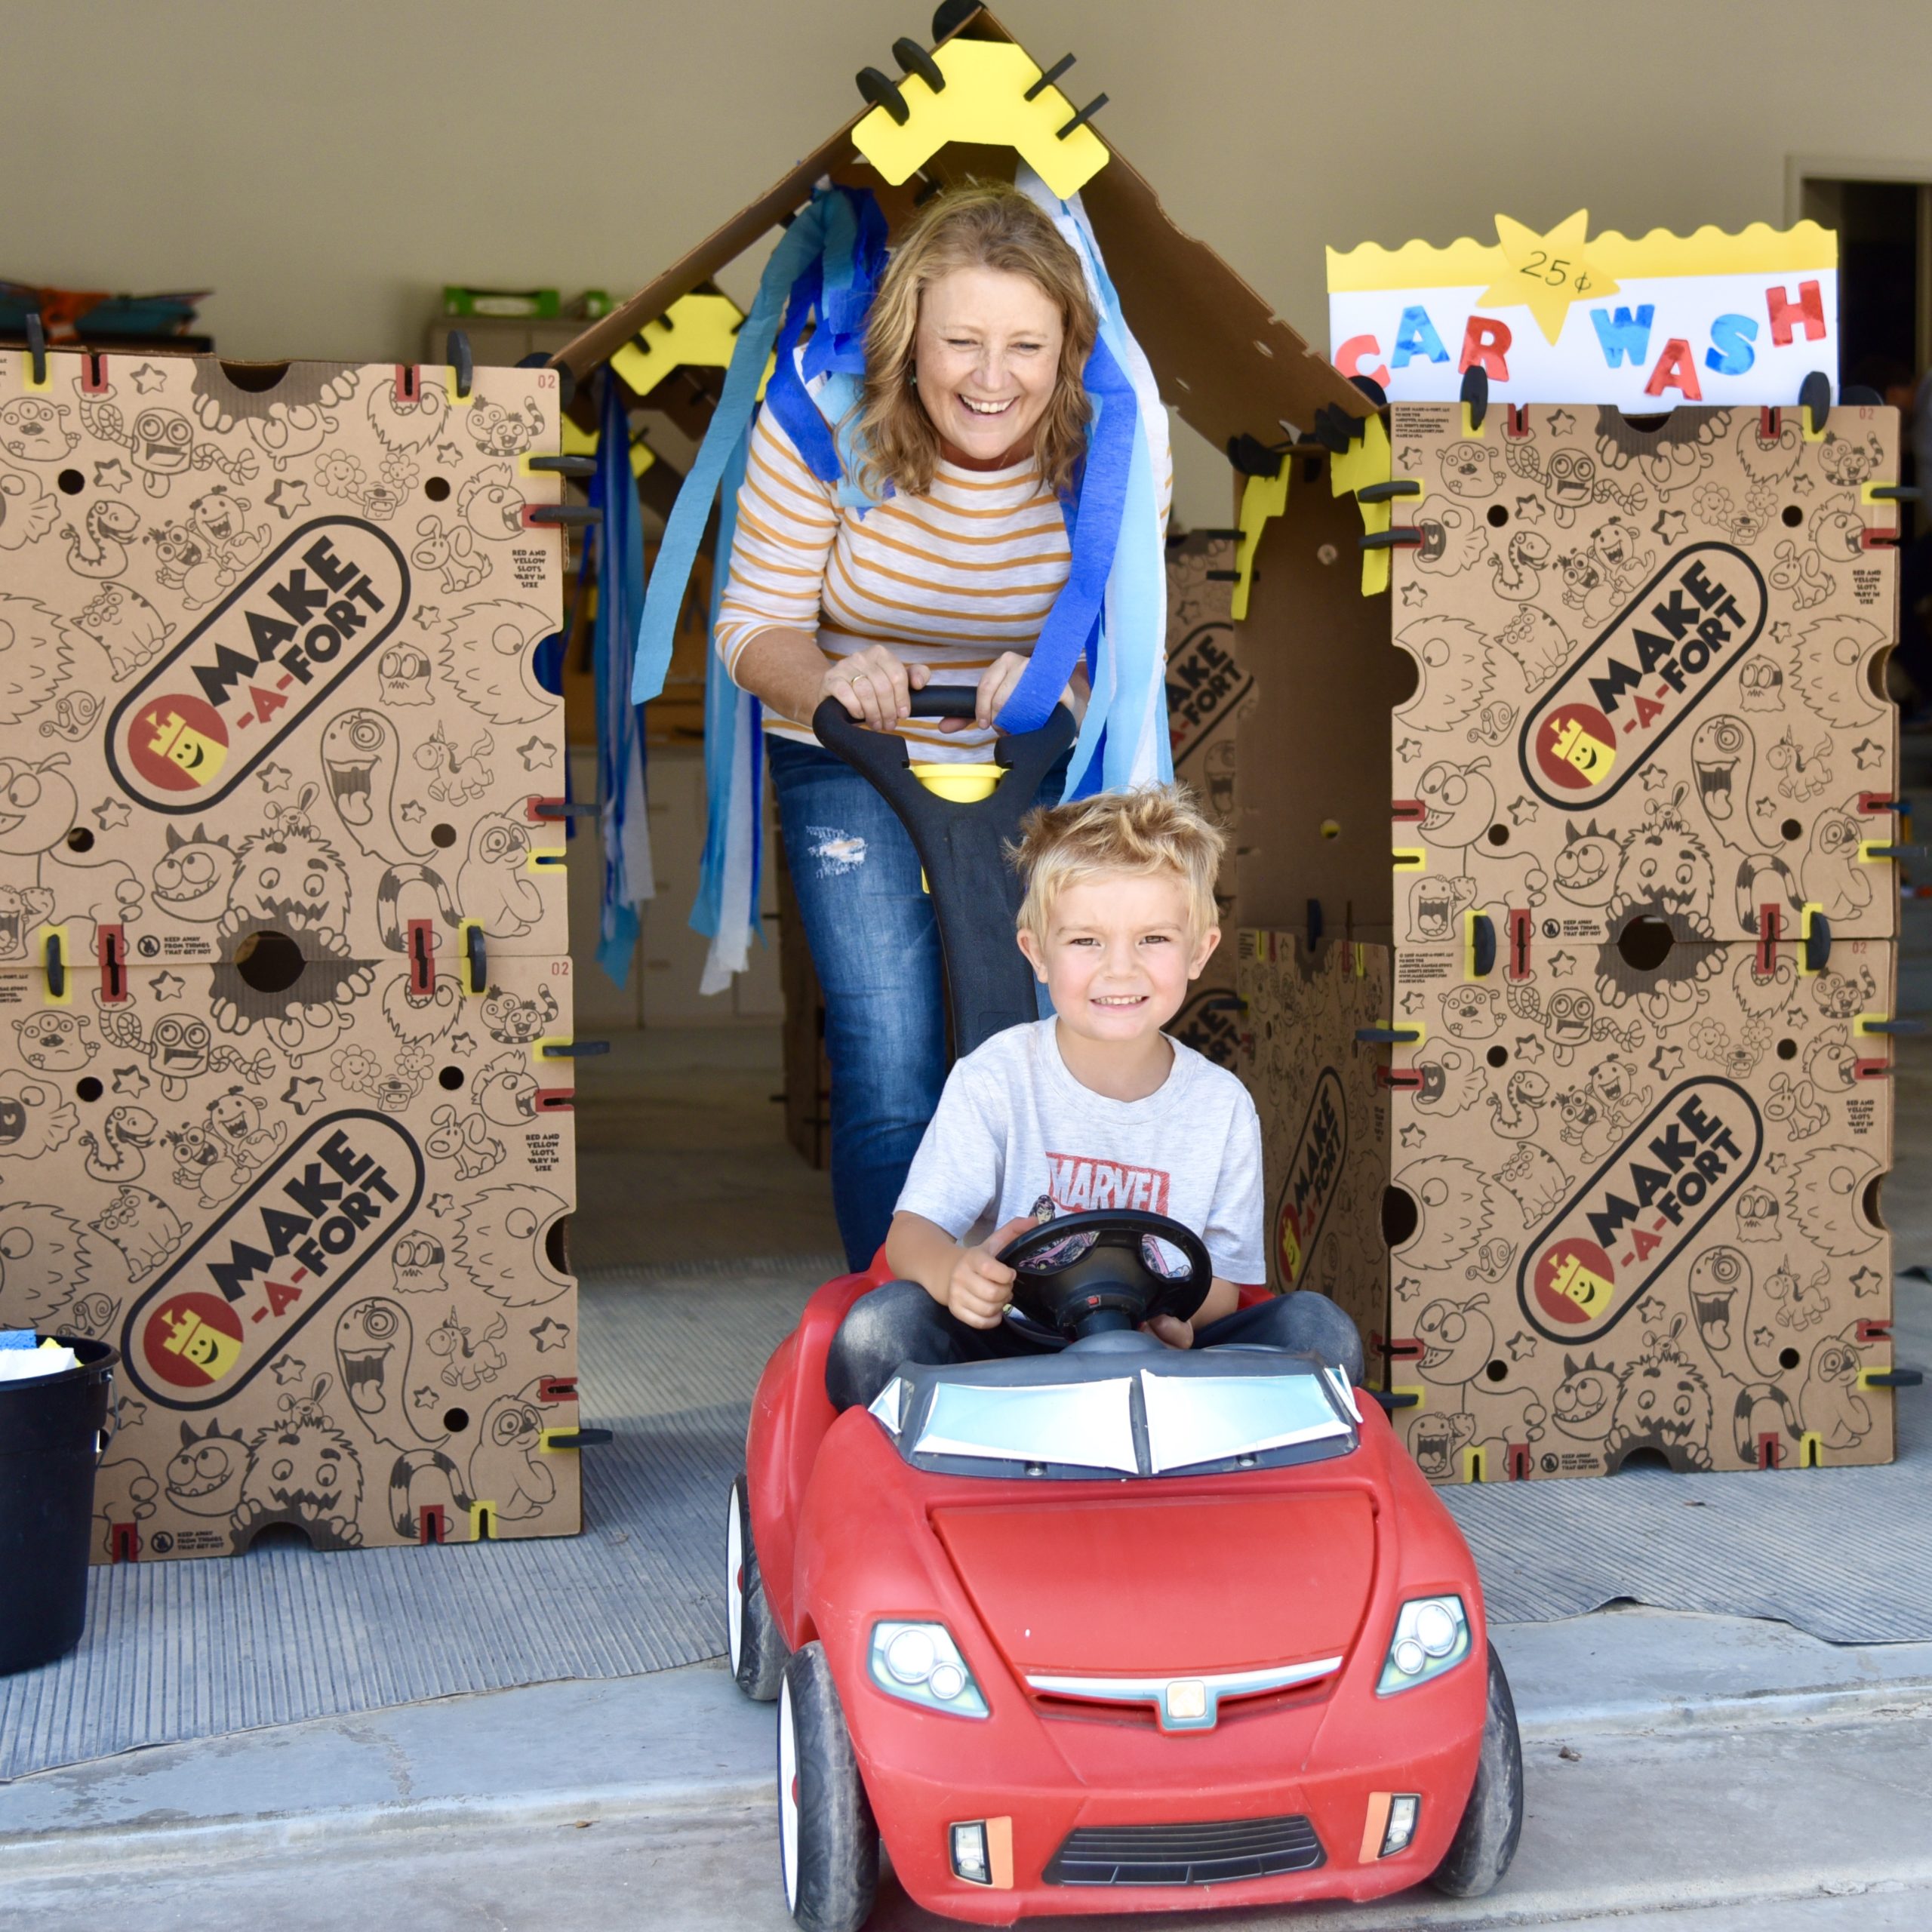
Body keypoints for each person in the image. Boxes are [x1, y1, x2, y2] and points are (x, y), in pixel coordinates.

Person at [713, 182, 1171, 1272]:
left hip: (1048, 757)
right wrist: (830, 676)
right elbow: (751, 629)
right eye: (961, 340)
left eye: (1025, 345)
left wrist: (1066, 677)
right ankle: (905, 1320)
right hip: (851, 758)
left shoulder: (1117, 443)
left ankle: (1055, 1296)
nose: (992, 377)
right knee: (890, 1055)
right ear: (907, 336)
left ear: (1068, 349)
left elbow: (1135, 636)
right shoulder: (818, 421)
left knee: (1057, 1045)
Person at [824, 786, 1364, 1411]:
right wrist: (954, 1274)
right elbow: (911, 1234)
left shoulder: (1222, 1105)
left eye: (1153, 940)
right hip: (1010, 1354)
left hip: (1158, 1354)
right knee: (878, 1331)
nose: (1120, 970)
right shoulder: (996, 1078)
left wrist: (1172, 1319)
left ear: (1200, 950)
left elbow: (1231, 1284)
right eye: (1086, 942)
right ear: (1037, 954)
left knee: (1320, 1333)